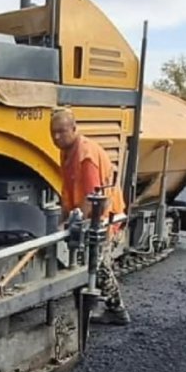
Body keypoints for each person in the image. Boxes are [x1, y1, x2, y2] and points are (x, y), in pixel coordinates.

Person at [50, 107, 130, 325]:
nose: (56, 137)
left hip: (103, 216)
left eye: (61, 131)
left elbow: (91, 198)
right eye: (53, 132)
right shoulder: (67, 151)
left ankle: (117, 310)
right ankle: (84, 307)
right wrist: (63, 220)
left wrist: (70, 224)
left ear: (74, 129)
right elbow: (69, 192)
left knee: (99, 263)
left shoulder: (85, 156)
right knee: (86, 260)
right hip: (87, 214)